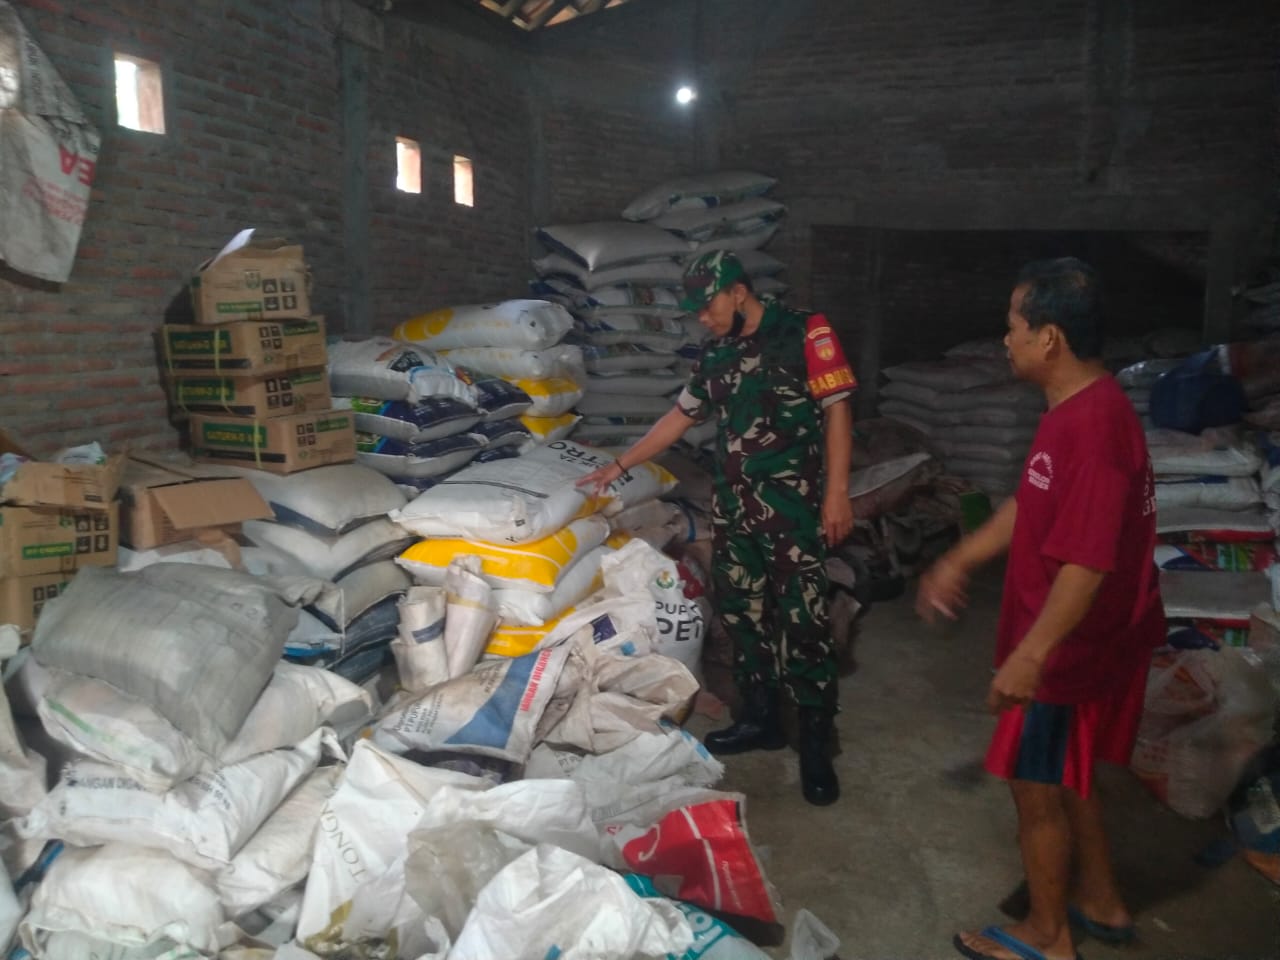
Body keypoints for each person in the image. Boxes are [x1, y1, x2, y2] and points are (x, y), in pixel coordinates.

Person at [916, 258, 1164, 960]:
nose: (1006, 340)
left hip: (1067, 649)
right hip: (1073, 641)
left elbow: (1087, 564)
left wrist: (1030, 657)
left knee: (1036, 786)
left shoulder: (1094, 430)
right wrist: (958, 560)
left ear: (1049, 337)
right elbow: (1032, 505)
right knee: (1069, 775)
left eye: (1014, 326)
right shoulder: (1074, 409)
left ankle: (1048, 936)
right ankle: (1102, 900)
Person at [576, 250, 856, 806]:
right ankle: (762, 719)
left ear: (738, 292)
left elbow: (839, 412)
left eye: (708, 307)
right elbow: (680, 417)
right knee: (743, 617)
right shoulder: (716, 353)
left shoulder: (805, 332)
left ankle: (817, 740)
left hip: (793, 511)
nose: (702, 319)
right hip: (735, 511)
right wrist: (620, 464)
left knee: (803, 623)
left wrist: (837, 493)